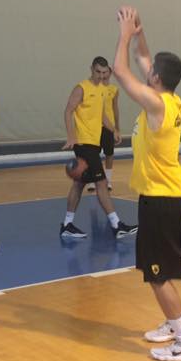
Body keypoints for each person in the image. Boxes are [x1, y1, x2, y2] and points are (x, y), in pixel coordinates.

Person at [113, 6, 181, 361]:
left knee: (157, 275)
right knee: (158, 270)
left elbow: (121, 71)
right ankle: (172, 322)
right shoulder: (172, 98)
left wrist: (123, 36)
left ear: (155, 78)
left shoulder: (155, 104)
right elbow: (142, 58)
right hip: (165, 196)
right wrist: (139, 33)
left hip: (161, 200)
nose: (146, 70)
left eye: (150, 71)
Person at [60, 57, 137, 240]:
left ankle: (67, 225)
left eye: (104, 73)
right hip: (83, 143)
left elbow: (101, 115)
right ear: (91, 69)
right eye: (98, 72)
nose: (101, 76)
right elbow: (68, 111)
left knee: (79, 184)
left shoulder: (102, 89)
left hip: (93, 143)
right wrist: (71, 136)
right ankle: (116, 225)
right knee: (101, 183)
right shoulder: (81, 88)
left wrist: (114, 130)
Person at [88, 68, 121, 192]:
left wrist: (117, 128)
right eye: (101, 72)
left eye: (106, 72)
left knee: (109, 154)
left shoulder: (114, 89)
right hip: (95, 126)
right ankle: (92, 180)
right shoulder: (95, 88)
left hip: (109, 126)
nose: (103, 74)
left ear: (110, 73)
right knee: (93, 154)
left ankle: (108, 180)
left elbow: (115, 108)